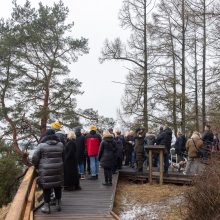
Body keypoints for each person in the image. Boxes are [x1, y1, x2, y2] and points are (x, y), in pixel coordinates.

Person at [32, 129, 64, 214]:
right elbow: (63, 157)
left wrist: (36, 166)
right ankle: (58, 204)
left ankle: (47, 207)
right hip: (58, 168)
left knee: (46, 187)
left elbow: (35, 158)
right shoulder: (60, 145)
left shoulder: (41, 145)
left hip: (45, 170)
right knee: (58, 186)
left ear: (45, 136)